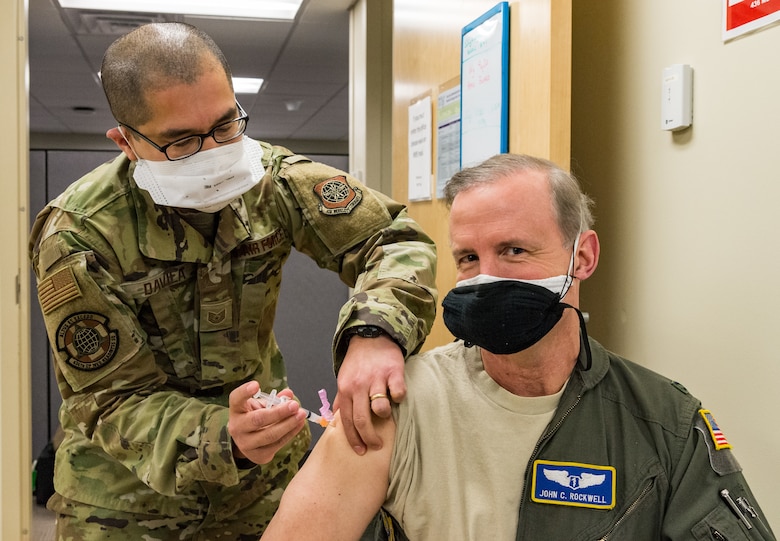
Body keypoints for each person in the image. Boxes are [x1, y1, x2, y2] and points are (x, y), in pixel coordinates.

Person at [28, 22, 437, 540]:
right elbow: (110, 399)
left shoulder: (272, 179)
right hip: (127, 505)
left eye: (226, 125)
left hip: (261, 491)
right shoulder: (80, 233)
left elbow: (392, 239)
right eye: (181, 141)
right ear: (127, 142)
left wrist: (375, 332)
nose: (214, 153)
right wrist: (224, 436)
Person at [262, 153, 776, 541]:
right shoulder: (395, 404)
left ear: (583, 257)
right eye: (468, 258)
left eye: (513, 250)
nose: (486, 277)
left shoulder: (666, 423)